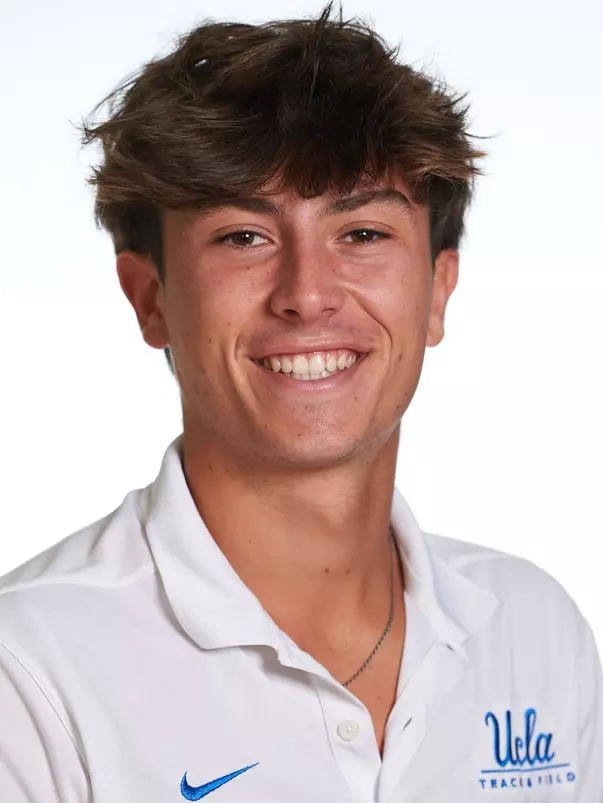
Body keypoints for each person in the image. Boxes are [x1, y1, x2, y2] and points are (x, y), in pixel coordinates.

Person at [1, 2, 601, 801]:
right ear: (150, 299)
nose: (307, 295)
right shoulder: (30, 669)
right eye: (242, 236)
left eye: (362, 234)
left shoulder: (532, 631)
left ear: (436, 292)